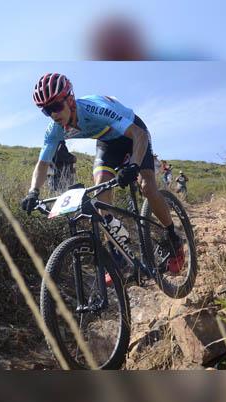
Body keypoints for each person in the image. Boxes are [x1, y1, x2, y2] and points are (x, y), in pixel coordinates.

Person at [20, 73, 184, 277]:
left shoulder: (94, 108)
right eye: (46, 110)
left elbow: (139, 135)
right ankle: (118, 256)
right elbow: (43, 162)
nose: (53, 114)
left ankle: (173, 237)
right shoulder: (55, 129)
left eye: (55, 106)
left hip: (133, 134)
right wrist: (33, 192)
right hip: (107, 143)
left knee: (147, 187)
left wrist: (133, 165)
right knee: (100, 198)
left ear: (70, 100)